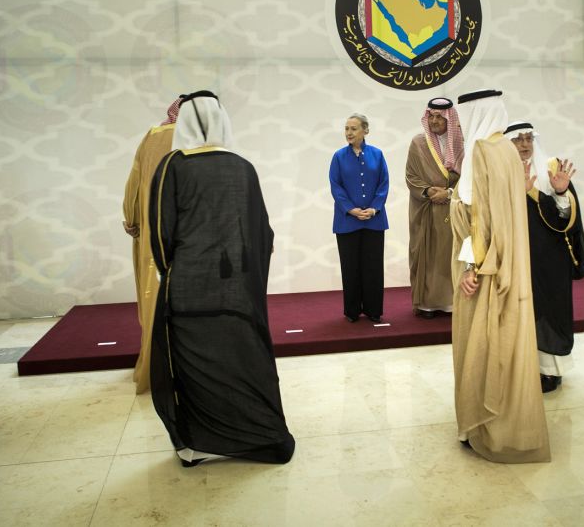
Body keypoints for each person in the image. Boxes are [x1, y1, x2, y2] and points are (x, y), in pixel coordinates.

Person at [148, 92, 295, 466]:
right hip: (238, 296)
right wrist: (247, 287)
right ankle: (263, 439)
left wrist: (172, 276)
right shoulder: (243, 167)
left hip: (187, 293)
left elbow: (161, 233)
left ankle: (196, 446)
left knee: (194, 372)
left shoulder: (173, 166)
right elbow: (262, 235)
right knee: (243, 363)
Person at [449, 89, 550, 463]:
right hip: (503, 264)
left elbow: (483, 220)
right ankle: (504, 425)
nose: (460, 124)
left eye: (464, 116)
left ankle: (483, 426)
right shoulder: (505, 150)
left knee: (481, 345)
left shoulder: (483, 151)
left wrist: (473, 267)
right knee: (503, 345)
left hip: (482, 269)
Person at [504, 121, 584, 394]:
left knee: (549, 311)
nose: (525, 145)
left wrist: (560, 192)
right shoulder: (500, 171)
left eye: (528, 139)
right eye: (518, 140)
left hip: (550, 260)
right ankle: (522, 369)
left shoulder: (551, 168)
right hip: (516, 257)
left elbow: (566, 220)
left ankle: (550, 371)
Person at [120, 95, 180, 394]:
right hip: (189, 239)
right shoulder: (200, 143)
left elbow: (134, 183)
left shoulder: (153, 136)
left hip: (151, 236)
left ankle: (154, 366)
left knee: (152, 296)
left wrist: (131, 220)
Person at [406, 97, 464, 319]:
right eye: (432, 116)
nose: (435, 121)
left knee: (449, 255)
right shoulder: (418, 142)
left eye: (440, 117)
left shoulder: (461, 144)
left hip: (453, 208)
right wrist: (429, 191)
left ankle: (450, 302)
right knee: (426, 254)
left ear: (450, 119)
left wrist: (449, 193)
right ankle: (427, 304)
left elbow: (468, 177)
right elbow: (410, 176)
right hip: (426, 209)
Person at [329, 113, 389, 323]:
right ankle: (352, 311)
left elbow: (384, 184)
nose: (349, 133)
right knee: (350, 267)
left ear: (365, 130)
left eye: (353, 128)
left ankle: (374, 310)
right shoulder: (338, 157)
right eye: (346, 128)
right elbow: (336, 187)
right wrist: (351, 209)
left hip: (374, 220)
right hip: (347, 221)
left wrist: (374, 208)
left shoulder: (378, 155)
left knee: (372, 266)